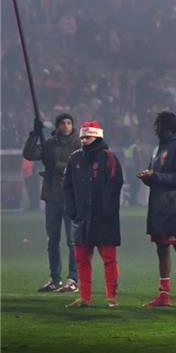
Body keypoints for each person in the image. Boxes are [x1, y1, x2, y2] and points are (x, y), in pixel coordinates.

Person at [139, 111, 176, 309]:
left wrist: (155, 177)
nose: (155, 129)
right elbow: (156, 175)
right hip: (159, 205)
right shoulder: (159, 148)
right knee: (161, 248)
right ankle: (164, 295)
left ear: (167, 127)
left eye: (158, 125)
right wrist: (148, 178)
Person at [62, 122, 123, 308]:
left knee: (109, 259)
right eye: (81, 137)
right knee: (82, 260)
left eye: (87, 137)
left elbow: (115, 184)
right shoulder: (75, 158)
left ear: (97, 136)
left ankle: (111, 297)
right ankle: (85, 297)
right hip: (81, 218)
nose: (83, 140)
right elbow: (67, 186)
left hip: (104, 219)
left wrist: (107, 210)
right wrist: (71, 209)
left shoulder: (109, 157)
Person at [23, 113, 81, 292]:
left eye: (69, 122)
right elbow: (29, 153)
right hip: (52, 197)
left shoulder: (78, 144)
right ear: (57, 126)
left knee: (72, 241)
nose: (66, 125)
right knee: (52, 241)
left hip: (71, 198)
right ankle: (55, 278)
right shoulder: (49, 144)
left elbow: (80, 167)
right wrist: (35, 134)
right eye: (62, 123)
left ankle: (73, 278)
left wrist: (58, 167)